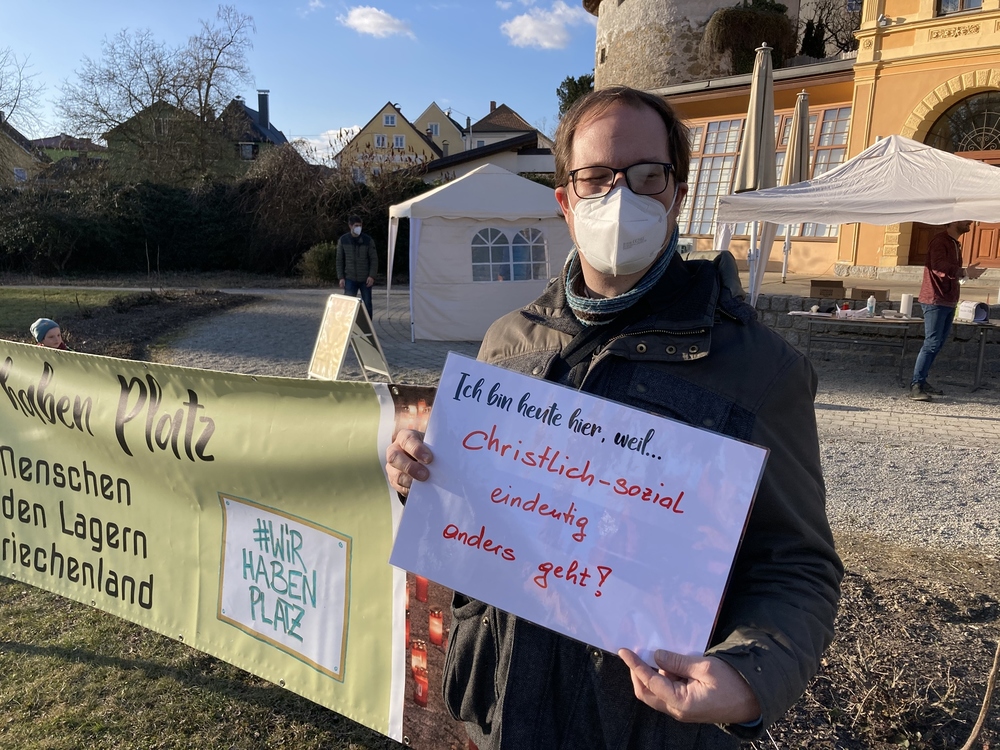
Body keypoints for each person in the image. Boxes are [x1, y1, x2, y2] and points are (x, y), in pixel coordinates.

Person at [385, 86, 842, 749]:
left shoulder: (760, 369)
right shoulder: (507, 342)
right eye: (596, 177)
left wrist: (750, 676)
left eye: (647, 175)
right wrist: (424, 478)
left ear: (677, 194)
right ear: (565, 201)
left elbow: (796, 565)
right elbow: (480, 519)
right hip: (501, 711)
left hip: (646, 728)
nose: (620, 196)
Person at [909, 220, 983, 401]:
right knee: (932, 343)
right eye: (966, 218)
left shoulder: (954, 243)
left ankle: (922, 380)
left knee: (938, 344)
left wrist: (965, 274)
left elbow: (950, 271)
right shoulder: (940, 241)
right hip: (935, 299)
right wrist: (963, 272)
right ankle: (916, 385)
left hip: (948, 300)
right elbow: (938, 267)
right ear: (953, 221)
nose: (970, 222)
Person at [336, 215, 378, 320]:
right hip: (350, 278)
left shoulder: (368, 240)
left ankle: (368, 327)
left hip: (365, 279)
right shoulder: (343, 240)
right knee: (348, 305)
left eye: (360, 225)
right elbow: (339, 260)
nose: (358, 228)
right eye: (356, 225)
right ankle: (348, 325)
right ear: (350, 226)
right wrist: (341, 277)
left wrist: (372, 276)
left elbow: (374, 259)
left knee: (367, 304)